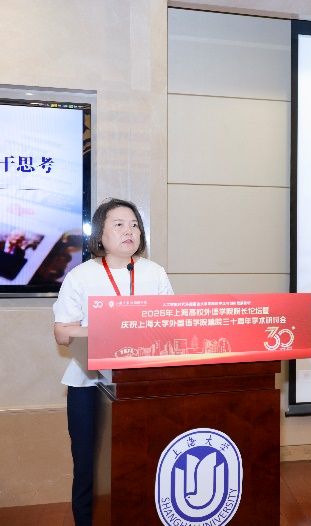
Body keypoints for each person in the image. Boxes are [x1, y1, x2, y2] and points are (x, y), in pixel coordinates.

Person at [53, 198, 173, 526]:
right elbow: (62, 332)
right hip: (89, 383)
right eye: (118, 224)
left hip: (142, 382)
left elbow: (170, 323)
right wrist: (111, 327)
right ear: (100, 235)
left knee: (144, 459)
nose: (129, 231)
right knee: (88, 463)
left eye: (134, 225)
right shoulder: (81, 275)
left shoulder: (154, 273)